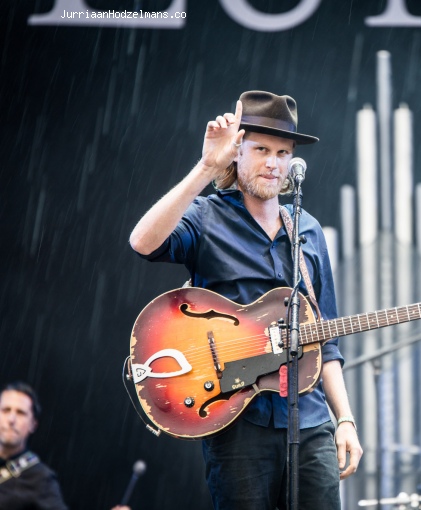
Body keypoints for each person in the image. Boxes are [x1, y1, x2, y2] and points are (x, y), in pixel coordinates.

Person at [129, 90, 362, 509]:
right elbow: (143, 242)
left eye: (283, 152)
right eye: (261, 149)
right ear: (237, 152)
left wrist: (344, 419)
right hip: (237, 421)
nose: (273, 163)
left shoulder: (307, 230)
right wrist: (205, 168)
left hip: (308, 420)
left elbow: (326, 339)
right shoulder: (206, 216)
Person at [0, 381, 68, 510]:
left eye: (21, 413)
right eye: (6, 410)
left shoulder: (41, 479)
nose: (11, 419)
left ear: (33, 425)